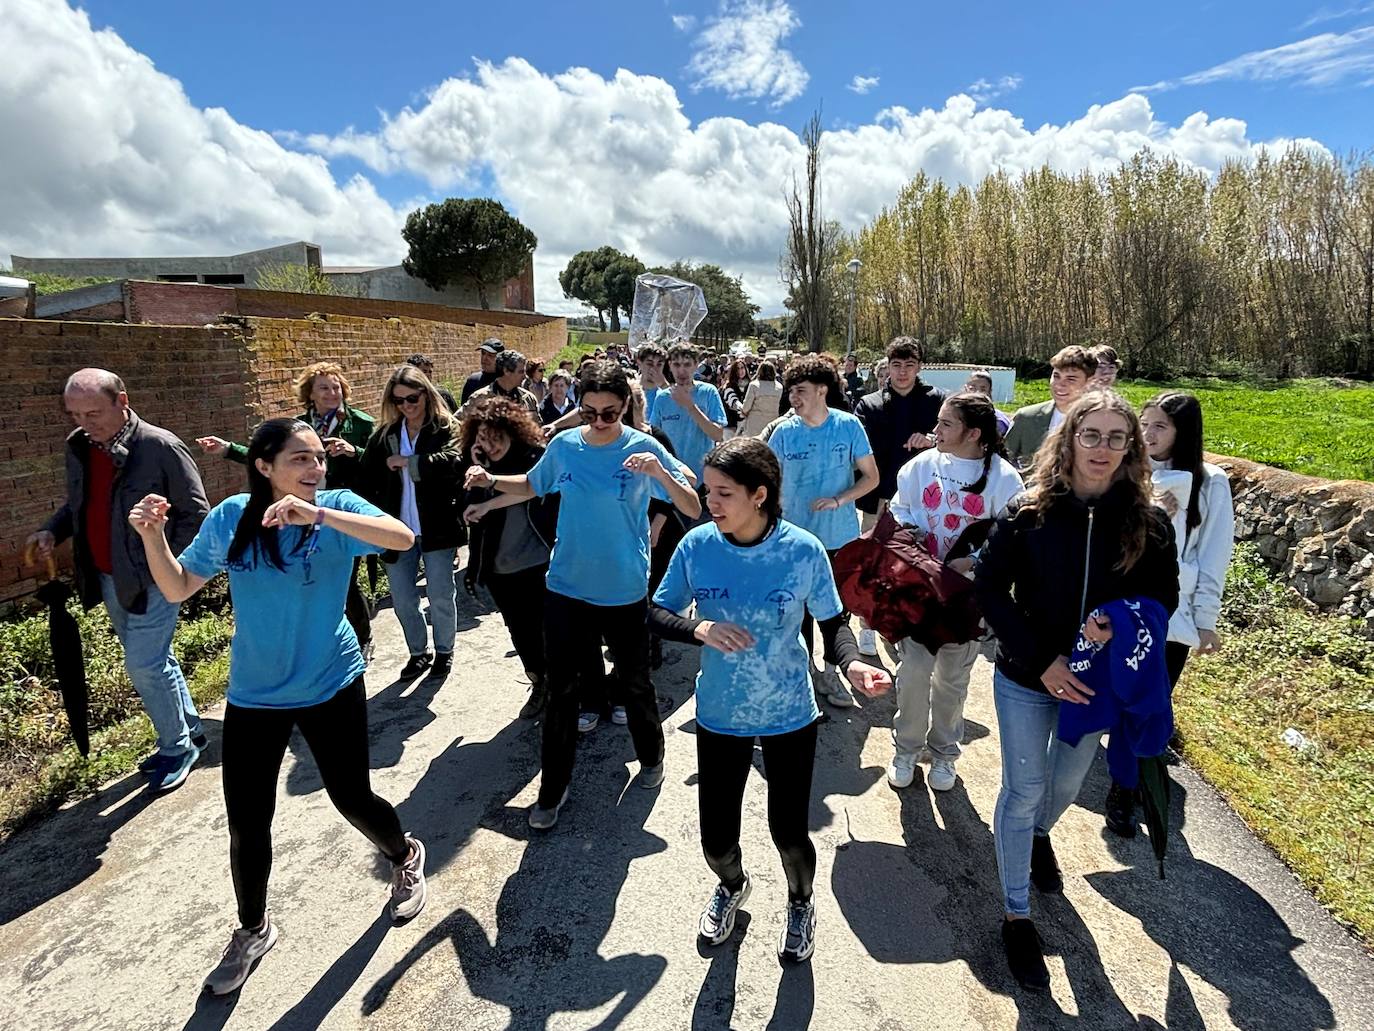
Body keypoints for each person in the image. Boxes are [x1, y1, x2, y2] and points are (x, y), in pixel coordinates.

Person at [128, 418, 426, 995]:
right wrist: (151, 538)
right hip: (254, 693)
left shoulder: (334, 506)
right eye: (300, 460)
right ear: (264, 467)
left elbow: (402, 538)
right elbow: (177, 586)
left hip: (328, 681)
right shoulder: (233, 516)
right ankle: (252, 927)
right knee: (247, 819)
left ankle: (404, 852)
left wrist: (317, 513)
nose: (316, 469)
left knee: (352, 797)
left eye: (318, 458)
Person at [650, 438, 892, 963]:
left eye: (723, 493)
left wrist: (851, 663)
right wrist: (700, 627)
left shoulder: (802, 550)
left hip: (788, 713)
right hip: (719, 712)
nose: (709, 501)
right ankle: (733, 886)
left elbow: (833, 624)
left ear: (759, 495)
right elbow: (659, 611)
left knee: (789, 834)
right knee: (715, 840)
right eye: (707, 490)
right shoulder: (697, 547)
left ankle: (801, 901)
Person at [973, 391, 1178, 992]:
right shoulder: (1027, 510)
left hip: (1093, 685)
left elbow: (1161, 600)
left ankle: (1039, 837)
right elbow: (988, 589)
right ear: (1069, 440)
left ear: (1132, 448)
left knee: (1063, 786)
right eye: (1092, 434)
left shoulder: (1149, 520)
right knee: (1024, 787)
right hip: (1025, 675)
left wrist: (1119, 619)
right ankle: (1016, 917)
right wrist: (1041, 661)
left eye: (1119, 437)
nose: (1103, 448)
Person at [464, 360, 701, 830]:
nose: (597, 422)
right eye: (589, 411)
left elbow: (691, 505)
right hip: (567, 587)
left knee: (634, 683)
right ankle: (552, 790)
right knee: (561, 692)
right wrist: (491, 484)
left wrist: (661, 472)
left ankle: (651, 754)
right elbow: (532, 485)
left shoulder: (644, 448)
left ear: (625, 407)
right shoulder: (566, 446)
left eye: (609, 413)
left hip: (624, 589)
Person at [28, 369, 208, 792]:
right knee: (154, 660)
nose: (85, 423)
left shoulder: (159, 446)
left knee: (143, 664)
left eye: (94, 413)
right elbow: (80, 504)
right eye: (75, 413)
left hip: (154, 578)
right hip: (108, 576)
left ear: (122, 401)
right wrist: (53, 530)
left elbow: (196, 516)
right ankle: (190, 728)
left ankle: (177, 747)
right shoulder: (80, 447)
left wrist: (164, 569)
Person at [1102, 391, 1234, 835]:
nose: (1149, 433)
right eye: (1146, 423)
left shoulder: (1210, 482)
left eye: (1160, 426)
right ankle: (1106, 766)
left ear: (1183, 433)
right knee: (1112, 693)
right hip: (1118, 605)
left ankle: (1126, 787)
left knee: (1149, 699)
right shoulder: (1127, 470)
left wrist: (1205, 620)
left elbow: (1214, 554)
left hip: (1169, 615)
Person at [887, 393, 1024, 792]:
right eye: (939, 422)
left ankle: (945, 753)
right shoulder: (920, 467)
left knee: (951, 679)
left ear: (974, 433)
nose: (937, 431)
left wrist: (972, 563)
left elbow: (1011, 539)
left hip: (967, 601)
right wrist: (913, 541)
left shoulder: (1004, 479)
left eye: (947, 424)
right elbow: (900, 512)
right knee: (912, 674)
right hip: (919, 593)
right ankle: (906, 748)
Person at [197, 360, 378, 659]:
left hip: (337, 511)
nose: (332, 393)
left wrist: (352, 451)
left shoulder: (360, 423)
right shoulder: (297, 426)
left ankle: (361, 635)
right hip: (293, 511)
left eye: (336, 387)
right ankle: (308, 641)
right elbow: (267, 459)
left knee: (344, 576)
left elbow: (377, 462)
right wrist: (228, 449)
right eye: (324, 388)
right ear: (311, 394)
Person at [767, 355, 880, 707]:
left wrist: (839, 498)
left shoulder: (848, 426)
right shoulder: (783, 431)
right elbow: (767, 480)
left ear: (822, 390)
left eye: (799, 391)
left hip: (838, 537)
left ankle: (832, 672)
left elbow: (871, 477)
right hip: (793, 540)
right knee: (796, 610)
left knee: (835, 610)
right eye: (790, 391)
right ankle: (803, 674)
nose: (793, 398)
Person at [360, 366, 465, 680]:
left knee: (441, 594)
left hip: (437, 527)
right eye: (399, 401)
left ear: (426, 394)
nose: (406, 405)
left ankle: (445, 651)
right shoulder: (387, 434)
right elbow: (366, 475)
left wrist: (411, 463)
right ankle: (419, 652)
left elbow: (457, 461)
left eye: (412, 398)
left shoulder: (445, 427)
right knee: (403, 599)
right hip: (398, 530)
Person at [852, 337, 947, 655]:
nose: (903, 371)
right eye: (896, 365)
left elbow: (953, 441)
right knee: (874, 563)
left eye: (909, 365)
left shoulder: (937, 400)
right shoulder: (869, 404)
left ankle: (906, 622)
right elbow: (857, 453)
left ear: (919, 366)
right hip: (879, 497)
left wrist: (933, 438)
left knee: (916, 563)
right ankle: (868, 624)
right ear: (887, 367)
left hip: (925, 498)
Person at [461, 398, 555, 719]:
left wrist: (489, 495)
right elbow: (468, 510)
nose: (491, 443)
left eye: (496, 435)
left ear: (512, 430)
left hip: (539, 560)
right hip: (499, 566)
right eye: (483, 437)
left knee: (549, 628)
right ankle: (539, 682)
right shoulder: (480, 464)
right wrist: (476, 467)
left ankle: (563, 686)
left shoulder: (534, 456)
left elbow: (533, 488)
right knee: (519, 630)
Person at [1003, 345, 1098, 470]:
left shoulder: (1100, 422)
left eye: (1071, 379)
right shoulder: (1026, 418)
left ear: (1089, 382)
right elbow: (1002, 463)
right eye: (1056, 376)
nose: (1060, 385)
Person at [650, 343, 728, 484]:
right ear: (670, 365)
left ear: (696, 365)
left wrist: (691, 407)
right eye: (677, 365)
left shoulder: (708, 392)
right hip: (672, 478)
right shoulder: (662, 398)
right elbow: (655, 439)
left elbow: (717, 435)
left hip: (703, 478)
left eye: (687, 365)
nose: (681, 371)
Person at [463, 350, 540, 418]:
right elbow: (457, 423)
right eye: (520, 372)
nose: (525, 376)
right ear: (506, 371)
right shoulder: (480, 398)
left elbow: (538, 427)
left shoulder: (529, 399)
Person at [963, 370, 1013, 437]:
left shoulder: (998, 421)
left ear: (990, 392)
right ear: (965, 389)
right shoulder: (956, 414)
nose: (977, 393)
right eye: (972, 388)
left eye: (983, 390)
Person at [739, 361, 781, 437]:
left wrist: (743, 413)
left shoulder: (754, 385)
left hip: (754, 424)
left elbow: (746, 406)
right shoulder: (779, 387)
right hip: (772, 422)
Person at [460, 338, 504, 404]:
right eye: (483, 353)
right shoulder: (473, 381)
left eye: (490, 355)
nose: (484, 358)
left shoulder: (506, 381)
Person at [635, 344, 669, 423]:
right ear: (639, 363)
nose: (654, 369)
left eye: (659, 364)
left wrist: (664, 386)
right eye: (650, 364)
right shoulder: (630, 392)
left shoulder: (666, 393)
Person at [721, 359, 749, 439]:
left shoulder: (751, 385)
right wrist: (742, 409)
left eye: (742, 368)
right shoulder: (729, 386)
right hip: (731, 425)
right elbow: (732, 400)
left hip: (745, 425)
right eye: (738, 369)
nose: (740, 371)